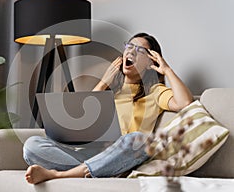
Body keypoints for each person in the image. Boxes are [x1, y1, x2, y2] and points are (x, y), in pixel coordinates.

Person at [23, 33, 193, 184]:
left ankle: (59, 175)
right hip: (93, 155)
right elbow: (82, 120)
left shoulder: (155, 92)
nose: (131, 52)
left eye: (140, 50)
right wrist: (104, 82)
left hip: (125, 153)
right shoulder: (111, 92)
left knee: (138, 140)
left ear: (150, 62)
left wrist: (167, 69)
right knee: (31, 145)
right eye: (129, 46)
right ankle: (105, 171)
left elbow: (184, 102)